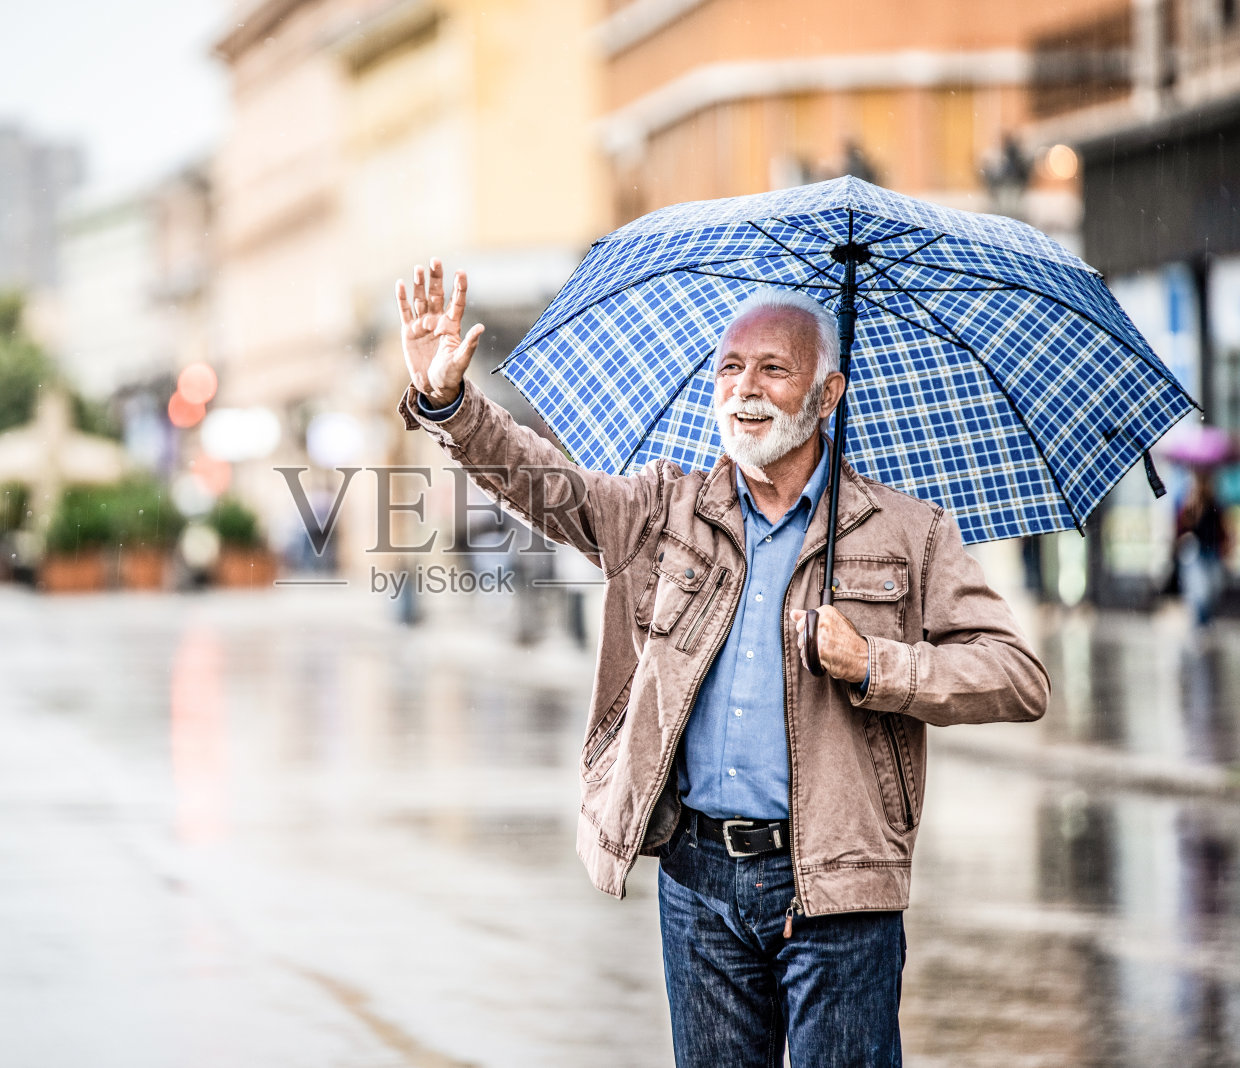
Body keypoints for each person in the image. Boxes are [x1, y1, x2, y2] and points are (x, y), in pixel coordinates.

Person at [395, 260, 1050, 1067]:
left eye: (775, 369)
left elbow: (1017, 676)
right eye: (731, 367)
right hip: (700, 881)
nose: (746, 387)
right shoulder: (662, 510)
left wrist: (876, 663)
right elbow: (544, 484)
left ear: (828, 393)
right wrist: (450, 405)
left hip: (841, 883)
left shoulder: (908, 532)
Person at [1176, 471, 1229, 627]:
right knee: (1199, 590)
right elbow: (1182, 528)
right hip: (1196, 552)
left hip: (1213, 551)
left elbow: (1221, 528)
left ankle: (1205, 621)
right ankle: (1200, 625)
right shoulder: (1190, 504)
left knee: (1213, 589)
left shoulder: (1215, 503)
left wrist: (1225, 543)